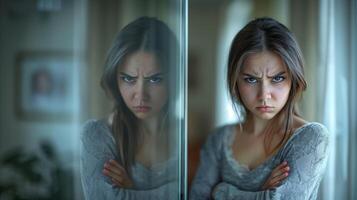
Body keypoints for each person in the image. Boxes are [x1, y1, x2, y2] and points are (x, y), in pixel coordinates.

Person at [190, 17, 330, 199]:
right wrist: (261, 194)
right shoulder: (218, 140)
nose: (264, 95)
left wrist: (221, 191)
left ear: (294, 79)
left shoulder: (310, 138)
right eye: (251, 79)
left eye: (277, 78)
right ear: (235, 81)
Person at [80, 17, 179, 199]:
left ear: (174, 79)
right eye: (128, 79)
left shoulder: (187, 134)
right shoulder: (98, 135)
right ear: (114, 78)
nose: (140, 95)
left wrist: (132, 190)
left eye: (155, 79)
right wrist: (175, 190)